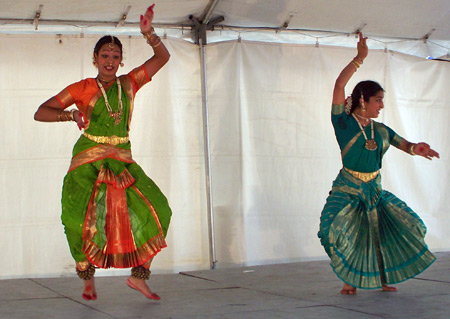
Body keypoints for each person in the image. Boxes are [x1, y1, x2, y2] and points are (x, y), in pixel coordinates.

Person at [34, 4, 171, 301]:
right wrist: (69, 115)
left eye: (115, 56)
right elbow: (41, 112)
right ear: (95, 58)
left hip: (122, 160)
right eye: (105, 56)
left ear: (121, 61)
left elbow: (163, 57)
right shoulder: (82, 88)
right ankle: (86, 275)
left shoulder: (129, 83)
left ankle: (139, 277)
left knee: (159, 209)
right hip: (88, 160)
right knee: (76, 217)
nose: (110, 61)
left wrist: (149, 33)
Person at [318, 33, 439, 295]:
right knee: (332, 232)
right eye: (378, 100)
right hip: (348, 188)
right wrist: (359, 59)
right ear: (363, 100)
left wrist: (417, 148)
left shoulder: (380, 130)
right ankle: (349, 278)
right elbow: (339, 86)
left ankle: (380, 278)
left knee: (389, 232)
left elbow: (404, 144)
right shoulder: (343, 124)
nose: (381, 105)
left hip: (374, 189)